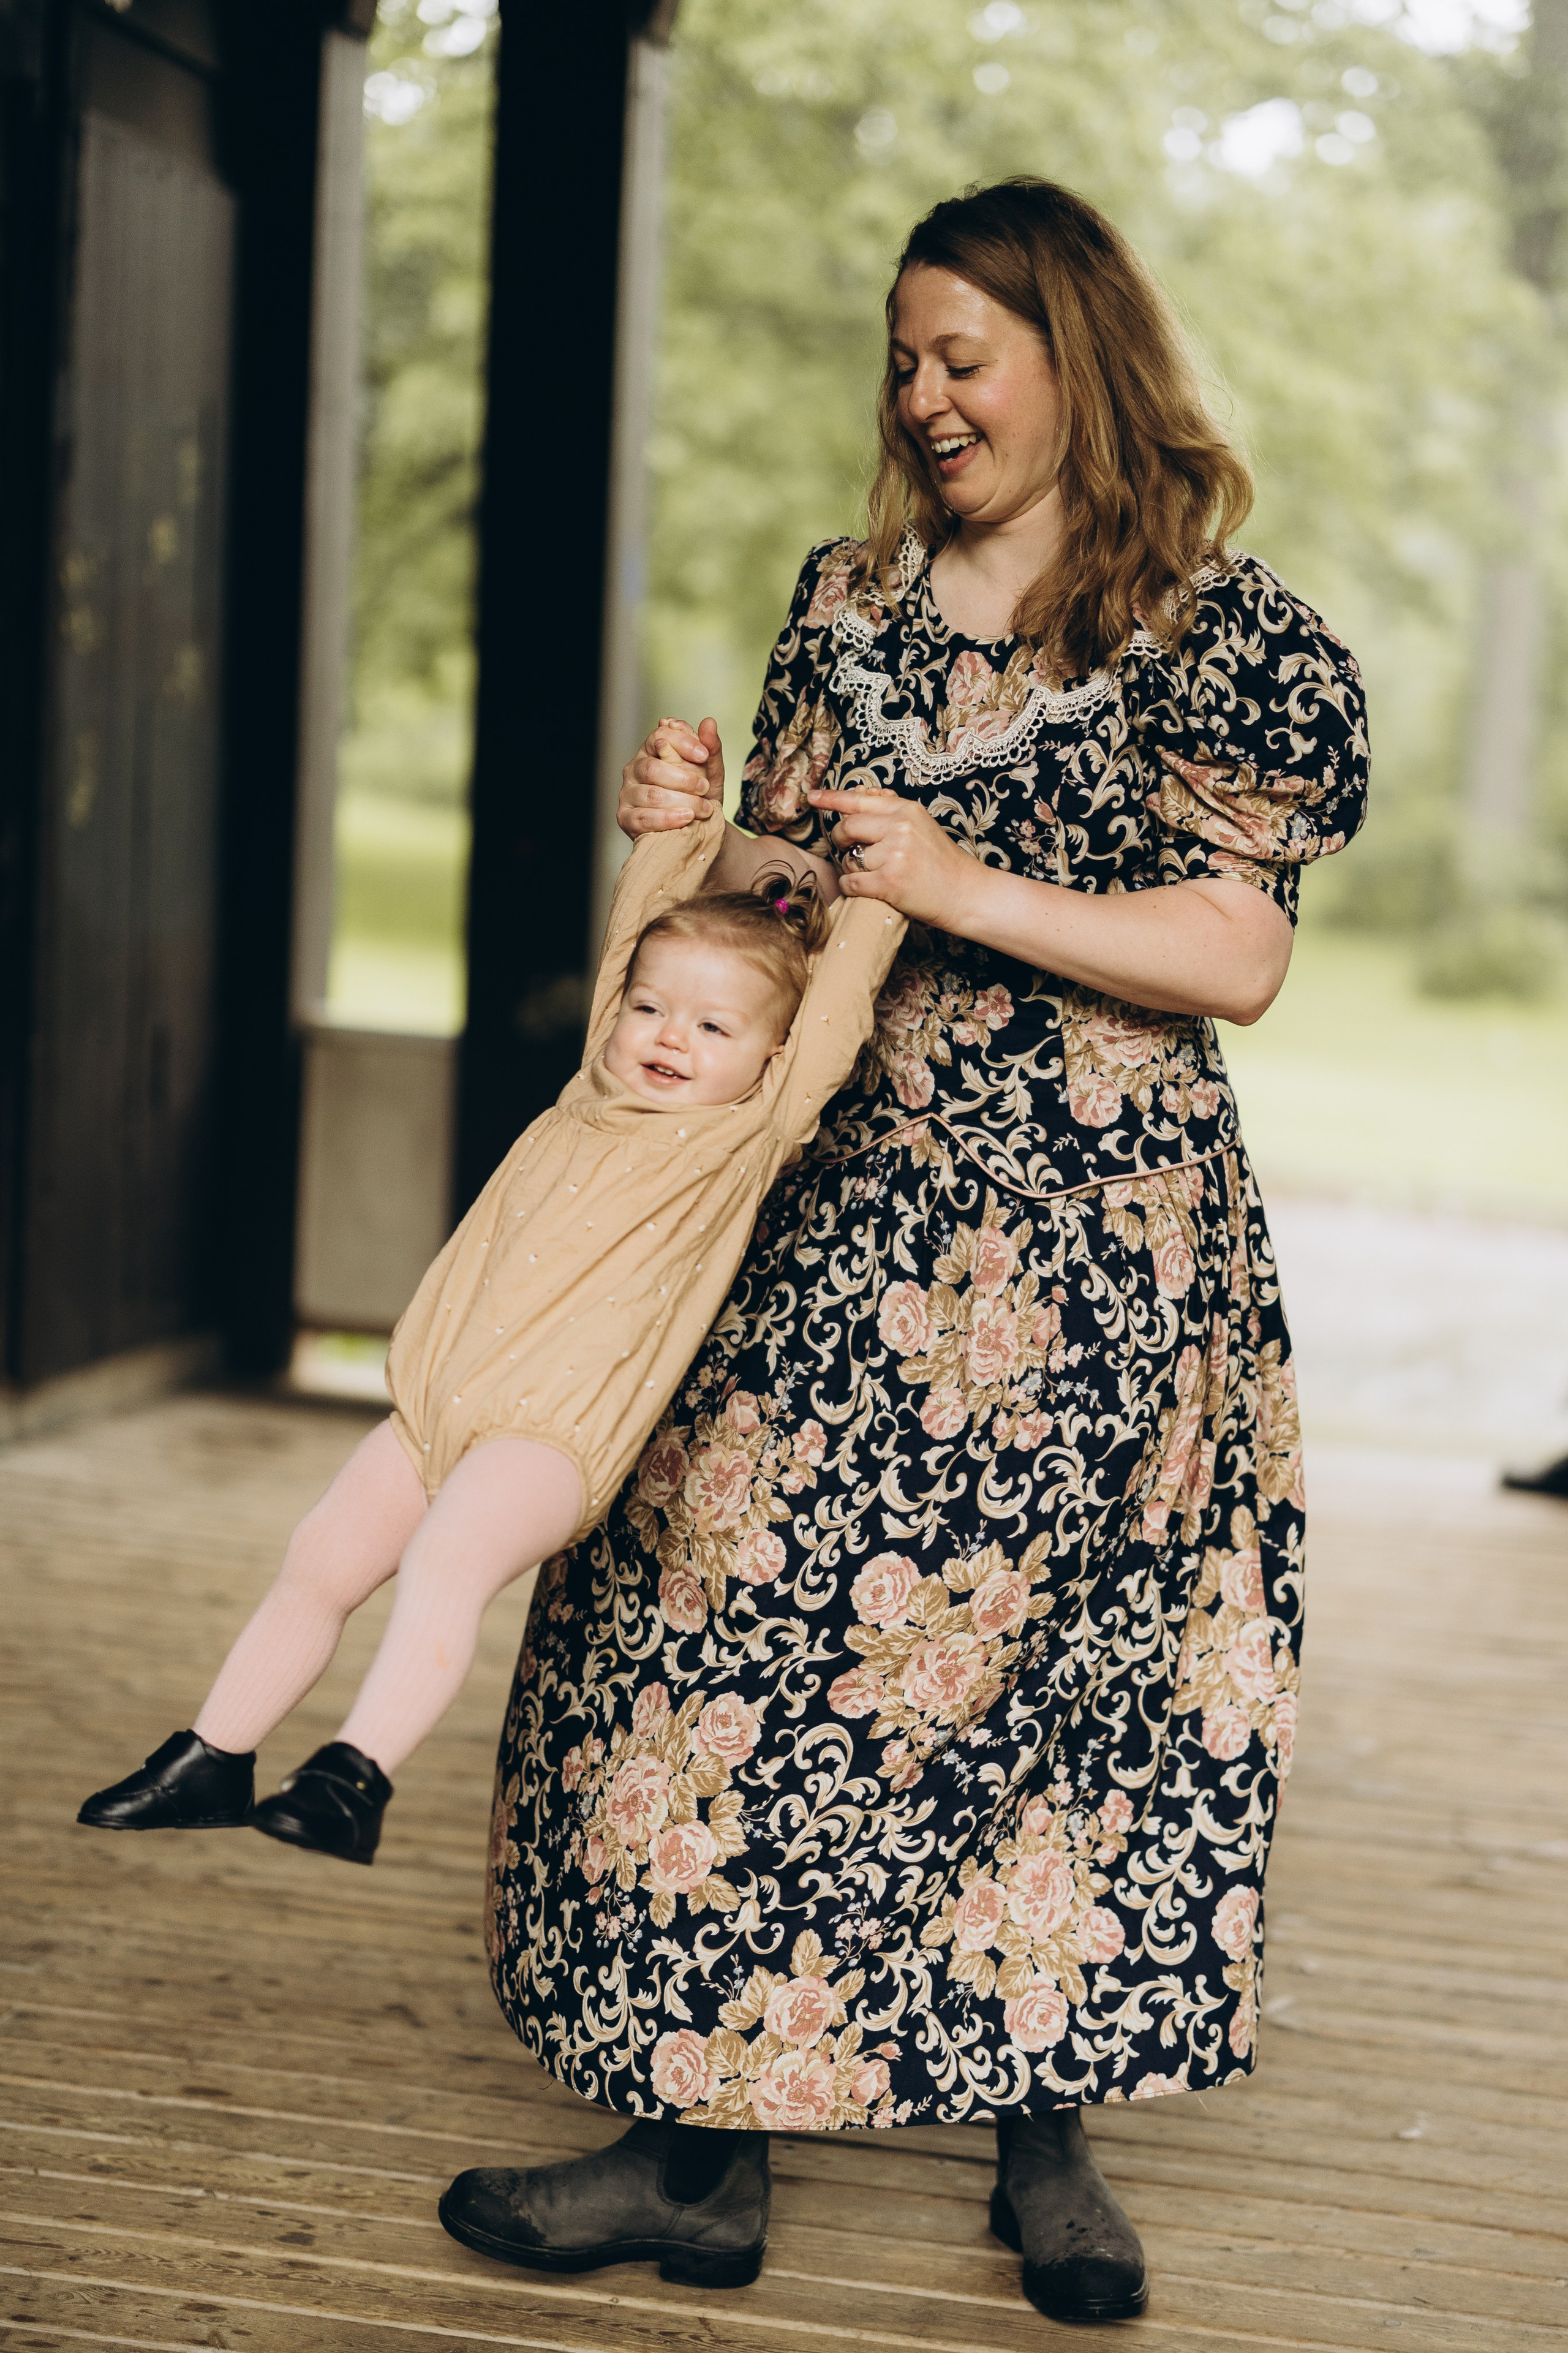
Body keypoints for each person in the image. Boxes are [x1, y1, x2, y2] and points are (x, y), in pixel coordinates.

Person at [455, 173, 1371, 2326]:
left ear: (1079, 356)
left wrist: (967, 887)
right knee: (690, 1594)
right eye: (905, 358)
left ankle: (1043, 2137)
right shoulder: (850, 604)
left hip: (1096, 1250)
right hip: (831, 1198)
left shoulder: (1222, 633)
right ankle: (697, 2147)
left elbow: (1234, 953)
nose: (925, 395)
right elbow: (782, 903)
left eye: (966, 354)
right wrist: (698, 840)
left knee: (1076, 1676)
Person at [77, 821, 904, 1864]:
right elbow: (627, 940)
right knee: (323, 1553)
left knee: (446, 1558)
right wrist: (682, 829)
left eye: (712, 1027)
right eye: (649, 1009)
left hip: (549, 1437)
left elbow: (836, 1010)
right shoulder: (596, 1089)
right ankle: (212, 1755)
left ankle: (352, 1775)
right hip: (440, 1402)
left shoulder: (749, 1134)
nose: (667, 1036)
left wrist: (880, 897)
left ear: (773, 1058)